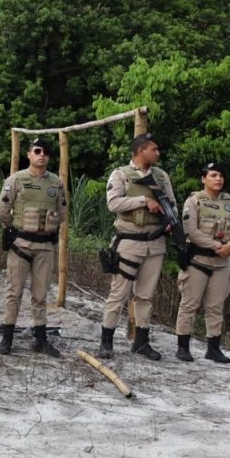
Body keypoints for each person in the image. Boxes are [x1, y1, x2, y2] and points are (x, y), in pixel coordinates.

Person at [97, 133, 177, 360]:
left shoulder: (161, 176)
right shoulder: (121, 174)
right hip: (130, 241)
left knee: (145, 295)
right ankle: (106, 341)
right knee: (119, 293)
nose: (158, 153)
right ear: (141, 150)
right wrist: (143, 201)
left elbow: (172, 204)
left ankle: (141, 342)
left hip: (156, 242)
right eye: (154, 149)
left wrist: (171, 221)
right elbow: (113, 203)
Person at [0, 137, 67, 357]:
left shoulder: (56, 183)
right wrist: (12, 231)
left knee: (40, 294)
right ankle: (7, 338)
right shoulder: (16, 180)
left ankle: (40, 339)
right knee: (14, 292)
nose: (42, 155)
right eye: (37, 151)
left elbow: (62, 212)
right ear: (29, 154)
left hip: (45, 246)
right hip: (21, 245)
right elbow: (2, 211)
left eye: (46, 152)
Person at [174, 162, 230, 364]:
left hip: (222, 264)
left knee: (216, 307)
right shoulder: (194, 200)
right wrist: (217, 245)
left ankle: (213, 349)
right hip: (198, 261)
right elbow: (191, 230)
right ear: (203, 179)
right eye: (213, 175)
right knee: (189, 304)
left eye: (221, 175)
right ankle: (183, 347)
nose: (218, 179)